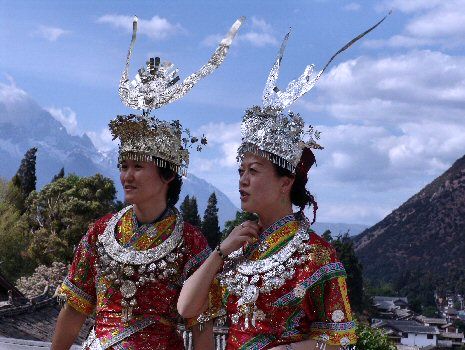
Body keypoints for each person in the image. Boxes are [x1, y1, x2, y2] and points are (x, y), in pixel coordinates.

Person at [178, 16, 390, 350]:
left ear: (285, 181)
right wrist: (220, 251)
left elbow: (338, 341)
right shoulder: (240, 247)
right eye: (240, 171)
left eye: (254, 170)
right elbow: (186, 308)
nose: (243, 180)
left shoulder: (318, 255)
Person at [51, 16, 244, 350]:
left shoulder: (192, 243)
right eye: (123, 166)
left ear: (167, 175)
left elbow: (200, 328)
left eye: (138, 167)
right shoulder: (100, 232)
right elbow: (75, 309)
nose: (127, 176)